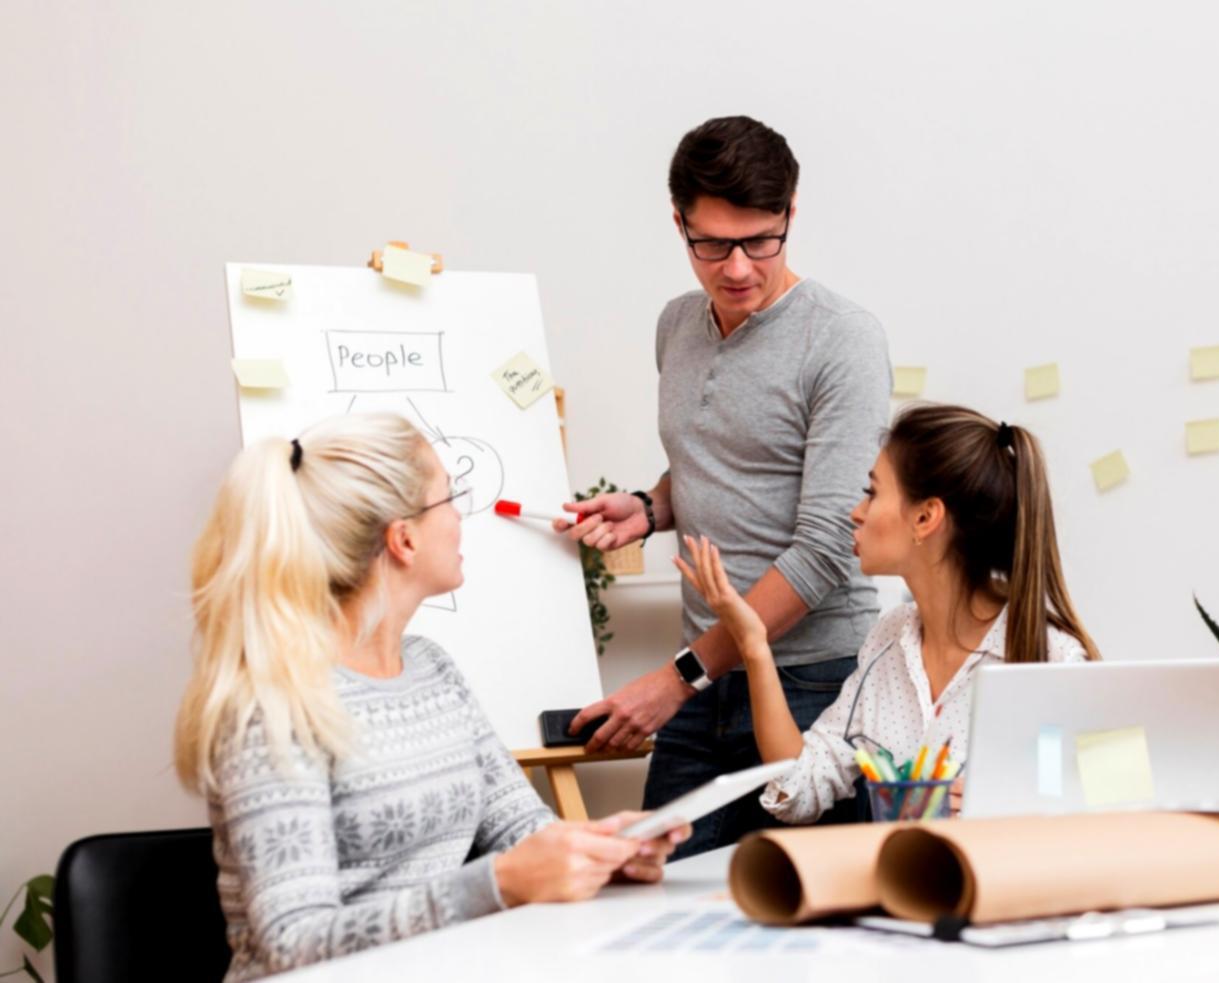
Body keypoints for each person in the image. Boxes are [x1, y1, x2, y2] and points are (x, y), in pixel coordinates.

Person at [174, 414, 686, 981]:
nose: (462, 516)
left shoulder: (430, 668)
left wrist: (604, 852)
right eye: (450, 496)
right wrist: (499, 883)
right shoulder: (272, 706)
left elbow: (522, 828)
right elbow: (291, 945)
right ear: (404, 537)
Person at [555, 115, 892, 856]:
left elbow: (826, 549)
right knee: (656, 904)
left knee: (809, 923)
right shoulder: (675, 324)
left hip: (811, 684)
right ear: (678, 223)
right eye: (711, 244)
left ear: (791, 214)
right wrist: (652, 506)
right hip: (703, 687)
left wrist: (679, 677)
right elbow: (720, 454)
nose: (737, 268)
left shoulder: (843, 339)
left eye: (760, 240)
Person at [675, 404, 1101, 822]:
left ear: (925, 517)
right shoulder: (889, 640)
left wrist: (1011, 802)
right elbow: (800, 788)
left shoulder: (1054, 659)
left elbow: (1121, 802)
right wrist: (753, 644)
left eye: (872, 492)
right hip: (900, 887)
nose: (856, 513)